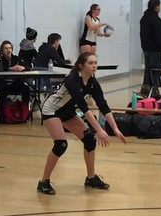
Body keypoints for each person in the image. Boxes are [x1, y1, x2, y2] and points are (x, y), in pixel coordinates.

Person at [37, 52, 127, 195]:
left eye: (95, 63)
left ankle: (91, 178)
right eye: (90, 63)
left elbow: (103, 106)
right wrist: (99, 130)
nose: (94, 66)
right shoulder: (72, 80)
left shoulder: (92, 82)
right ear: (81, 65)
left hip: (68, 112)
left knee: (89, 140)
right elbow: (85, 109)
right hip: (53, 110)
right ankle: (44, 182)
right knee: (61, 144)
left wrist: (115, 129)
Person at [0, 40, 30, 122]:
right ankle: (1, 116)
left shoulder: (16, 58)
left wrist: (23, 68)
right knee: (3, 91)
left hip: (15, 83)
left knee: (26, 89)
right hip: (3, 84)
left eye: (10, 48)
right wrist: (9, 69)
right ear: (2, 50)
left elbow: (28, 66)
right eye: (6, 48)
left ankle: (25, 114)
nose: (8, 50)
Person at [140, 0, 161, 90]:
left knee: (147, 71)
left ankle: (146, 90)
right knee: (155, 72)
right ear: (156, 7)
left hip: (146, 49)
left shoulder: (143, 19)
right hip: (155, 50)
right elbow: (160, 36)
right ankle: (154, 91)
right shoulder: (156, 20)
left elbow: (141, 34)